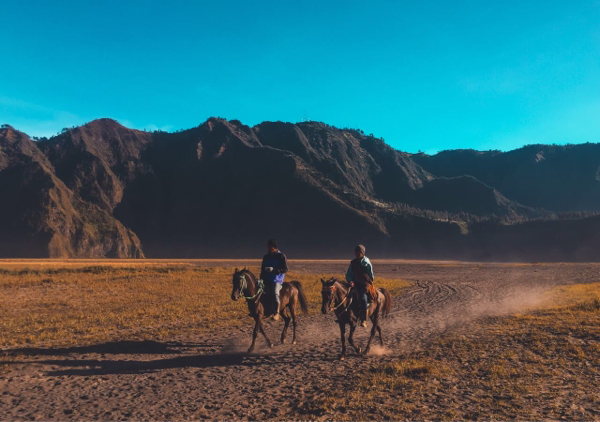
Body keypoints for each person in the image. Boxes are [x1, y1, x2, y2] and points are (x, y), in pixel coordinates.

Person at [345, 244, 374, 327]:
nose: (356, 253)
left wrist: (367, 284)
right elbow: (349, 273)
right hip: (354, 283)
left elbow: (370, 275)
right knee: (346, 296)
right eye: (356, 252)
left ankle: (364, 319)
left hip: (363, 284)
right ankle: (344, 317)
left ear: (362, 253)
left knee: (363, 298)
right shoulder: (353, 262)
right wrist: (350, 281)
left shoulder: (366, 262)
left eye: (358, 252)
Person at [260, 239, 288, 321]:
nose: (267, 248)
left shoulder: (281, 256)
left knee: (275, 294)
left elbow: (285, 269)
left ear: (273, 247)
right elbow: (262, 269)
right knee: (263, 294)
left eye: (268, 246)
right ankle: (266, 310)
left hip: (277, 280)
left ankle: (276, 313)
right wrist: (261, 279)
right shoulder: (266, 257)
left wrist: (274, 270)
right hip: (266, 279)